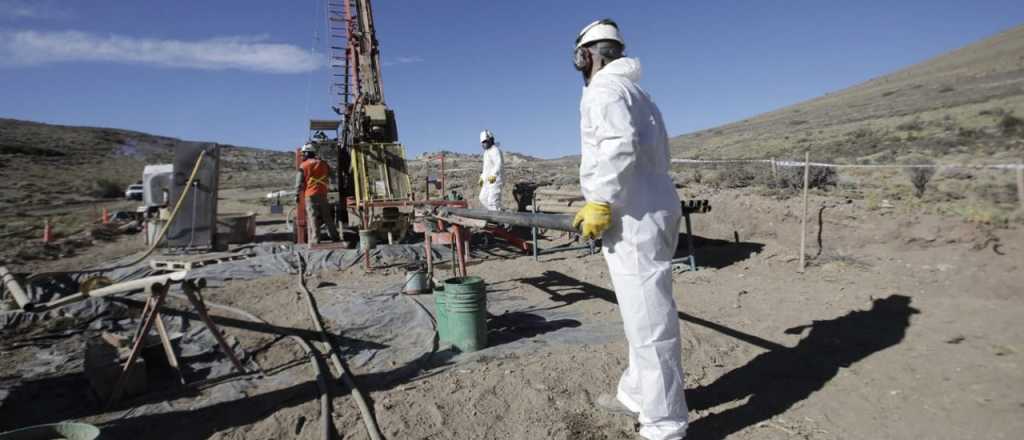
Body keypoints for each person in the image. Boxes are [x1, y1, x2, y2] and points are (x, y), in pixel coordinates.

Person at [570, 19, 688, 439]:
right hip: (654, 204)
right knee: (643, 313)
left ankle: (664, 424)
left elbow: (616, 147)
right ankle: (637, 393)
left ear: (587, 55)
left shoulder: (603, 90)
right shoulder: (640, 94)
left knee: (650, 322)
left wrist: (600, 200)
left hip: (633, 213)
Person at [295, 143, 340, 245]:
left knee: (313, 216)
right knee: (327, 216)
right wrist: (332, 185)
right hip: (323, 193)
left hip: (310, 194)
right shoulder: (323, 163)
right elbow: (333, 175)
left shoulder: (303, 165)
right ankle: (335, 237)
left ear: (307, 153)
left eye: (304, 153)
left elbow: (298, 182)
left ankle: (316, 239)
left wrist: (296, 194)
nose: (303, 156)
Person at [477, 129, 504, 211]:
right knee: (482, 198)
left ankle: (499, 220)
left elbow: (498, 164)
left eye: (485, 141)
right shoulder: (486, 153)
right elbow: (486, 168)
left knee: (493, 201)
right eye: (482, 142)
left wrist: (493, 175)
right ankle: (498, 214)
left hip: (495, 180)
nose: (483, 144)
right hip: (487, 181)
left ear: (490, 140)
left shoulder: (495, 150)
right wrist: (482, 177)